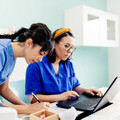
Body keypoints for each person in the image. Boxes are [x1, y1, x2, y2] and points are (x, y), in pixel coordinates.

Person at [25, 28, 103, 103]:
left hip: (67, 106)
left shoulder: (68, 65)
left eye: (72, 47)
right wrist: (60, 97)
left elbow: (74, 86)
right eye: (66, 46)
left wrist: (85, 90)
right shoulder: (36, 65)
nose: (70, 51)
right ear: (54, 44)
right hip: (48, 110)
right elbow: (31, 98)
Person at [0, 23, 54, 114]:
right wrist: (28, 109)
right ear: (29, 43)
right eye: (41, 54)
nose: (40, 60)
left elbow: (3, 89)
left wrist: (29, 107)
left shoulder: (11, 55)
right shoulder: (1, 51)